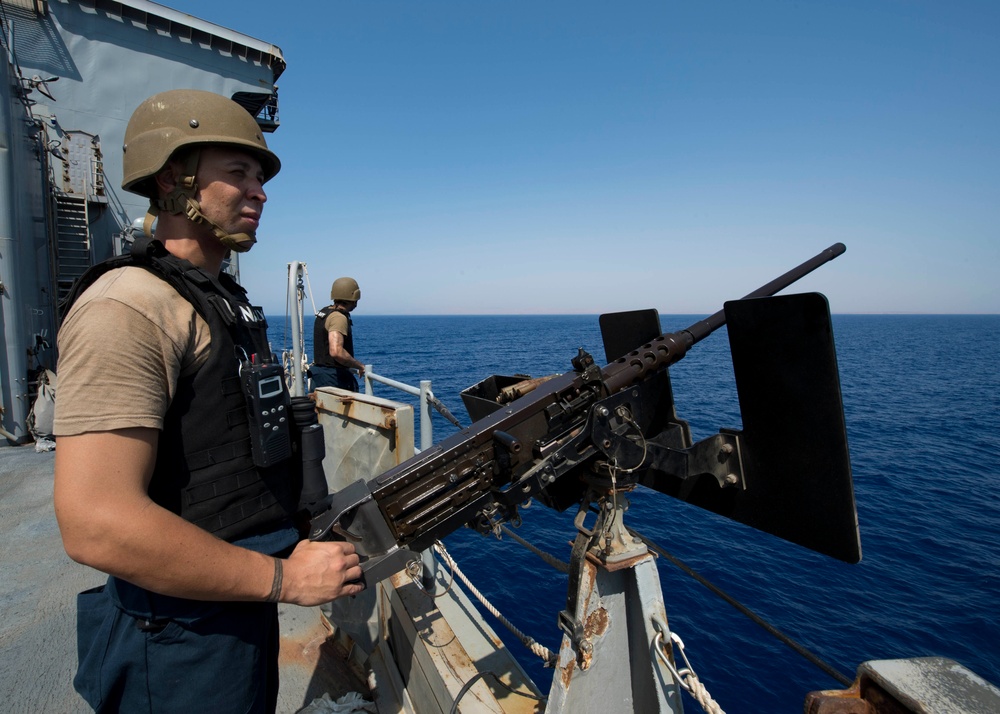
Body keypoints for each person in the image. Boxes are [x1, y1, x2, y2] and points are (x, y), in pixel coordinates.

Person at [52, 89, 364, 713]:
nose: (259, 192)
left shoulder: (222, 302)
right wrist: (283, 579)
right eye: (239, 172)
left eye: (261, 178)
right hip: (177, 637)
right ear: (174, 178)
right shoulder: (128, 307)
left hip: (231, 606)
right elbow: (95, 524)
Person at [311, 277, 365, 392]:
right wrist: (359, 366)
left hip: (319, 376)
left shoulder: (325, 312)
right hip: (333, 379)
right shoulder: (338, 318)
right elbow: (336, 352)